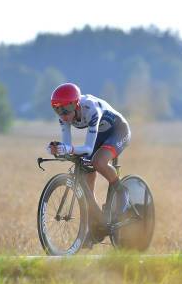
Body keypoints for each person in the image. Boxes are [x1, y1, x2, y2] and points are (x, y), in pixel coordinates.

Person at [47, 83, 131, 222]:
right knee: (86, 170)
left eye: (67, 109)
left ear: (77, 104)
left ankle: (122, 191)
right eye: (58, 110)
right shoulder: (63, 116)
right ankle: (98, 222)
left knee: (98, 161)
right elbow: (68, 146)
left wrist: (69, 149)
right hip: (101, 134)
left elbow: (88, 148)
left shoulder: (91, 109)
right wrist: (57, 149)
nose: (63, 115)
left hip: (119, 131)